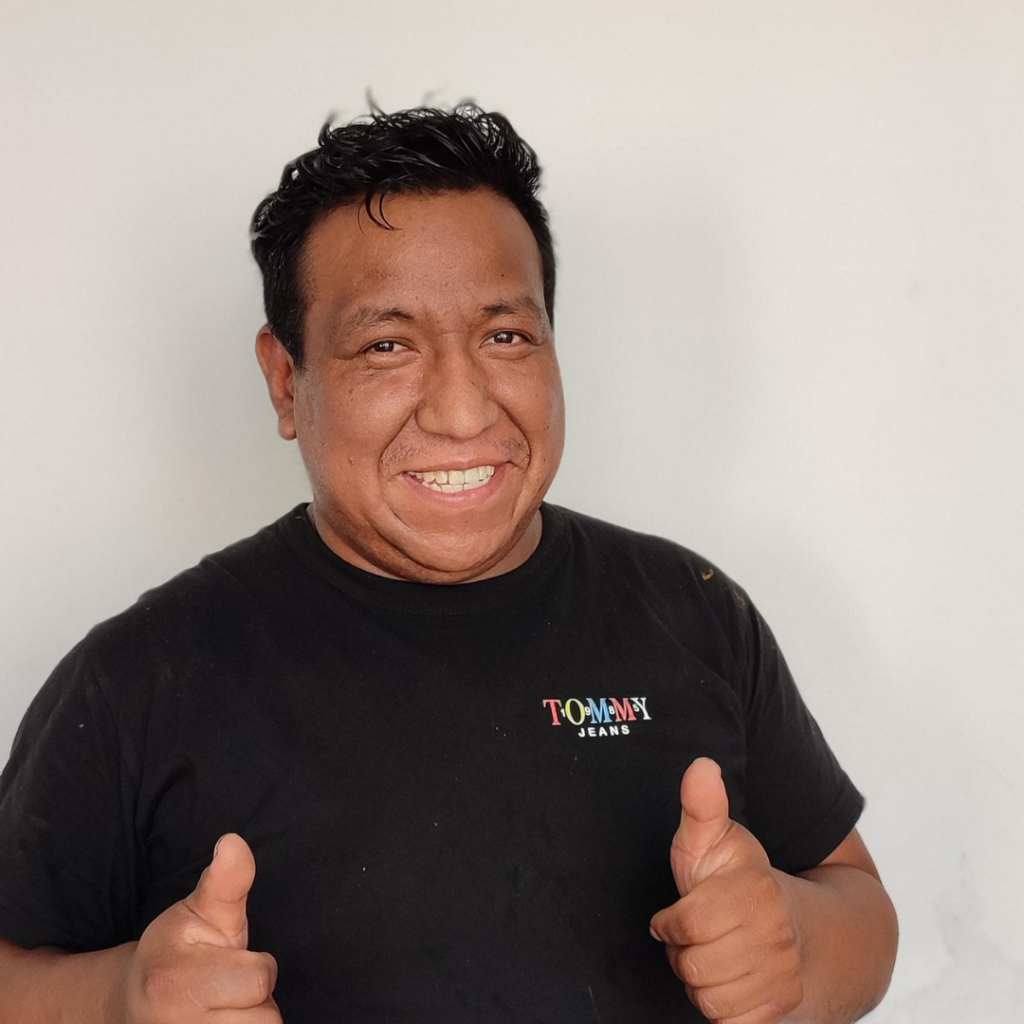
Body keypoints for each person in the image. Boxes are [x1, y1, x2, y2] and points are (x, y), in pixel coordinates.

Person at [0, 104, 897, 1024]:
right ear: (285, 379)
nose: (464, 413)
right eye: (386, 346)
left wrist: (796, 942)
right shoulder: (138, 679)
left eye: (506, 336)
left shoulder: (692, 612)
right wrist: (118, 1001)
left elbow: (858, 902)